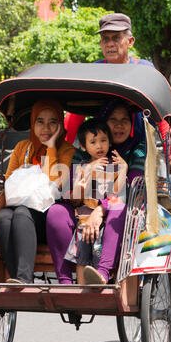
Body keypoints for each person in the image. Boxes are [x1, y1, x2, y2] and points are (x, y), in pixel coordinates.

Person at [64, 12, 171, 174]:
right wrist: (61, 150)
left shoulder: (144, 70)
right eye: (106, 39)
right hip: (101, 144)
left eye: (116, 38)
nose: (110, 44)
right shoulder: (94, 71)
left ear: (130, 42)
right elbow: (76, 114)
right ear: (100, 43)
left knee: (137, 181)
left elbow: (162, 116)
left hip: (137, 145)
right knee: (75, 174)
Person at [46, 101, 146, 285]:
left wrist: (101, 210)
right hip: (82, 212)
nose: (119, 125)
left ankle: (103, 272)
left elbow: (130, 190)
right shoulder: (82, 157)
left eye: (125, 119)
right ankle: (65, 282)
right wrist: (85, 172)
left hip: (119, 214)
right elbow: (71, 195)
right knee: (56, 212)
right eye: (113, 119)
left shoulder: (136, 150)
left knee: (119, 208)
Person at [0, 99, 75, 284]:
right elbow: (9, 183)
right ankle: (16, 277)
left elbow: (54, 184)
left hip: (49, 218)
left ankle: (24, 279)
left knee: (22, 213)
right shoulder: (23, 148)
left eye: (53, 122)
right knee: (4, 217)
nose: (46, 127)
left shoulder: (67, 151)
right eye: (40, 121)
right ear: (33, 123)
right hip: (18, 212)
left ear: (61, 125)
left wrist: (52, 147)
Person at [64, 118, 128, 285]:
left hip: (105, 223)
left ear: (109, 142)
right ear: (84, 147)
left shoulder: (113, 166)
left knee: (98, 252)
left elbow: (117, 194)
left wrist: (124, 170)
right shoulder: (81, 167)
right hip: (83, 221)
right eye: (93, 142)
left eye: (103, 140)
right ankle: (80, 288)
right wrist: (88, 171)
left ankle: (102, 275)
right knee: (81, 258)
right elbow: (75, 198)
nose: (99, 146)